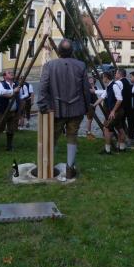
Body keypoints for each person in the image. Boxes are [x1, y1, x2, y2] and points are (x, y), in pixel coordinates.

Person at [37, 39, 91, 179]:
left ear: (58, 51)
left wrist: (43, 106)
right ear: (72, 52)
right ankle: (69, 167)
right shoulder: (81, 65)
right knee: (72, 136)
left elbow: (43, 88)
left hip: (55, 110)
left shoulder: (49, 66)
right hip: (76, 109)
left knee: (53, 137)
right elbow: (86, 88)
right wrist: (87, 107)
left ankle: (49, 166)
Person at [92, 71, 127, 154]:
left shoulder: (114, 86)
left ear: (106, 78)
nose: (102, 79)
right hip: (116, 112)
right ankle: (122, 148)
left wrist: (113, 111)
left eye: (103, 77)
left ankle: (107, 150)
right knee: (120, 129)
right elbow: (102, 97)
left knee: (106, 128)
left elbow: (120, 99)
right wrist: (93, 105)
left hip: (117, 112)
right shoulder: (109, 86)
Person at [0, 70, 21, 152]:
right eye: (9, 73)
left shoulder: (16, 84)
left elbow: (18, 96)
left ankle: (9, 146)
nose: (12, 73)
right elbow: (0, 92)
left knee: (11, 129)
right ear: (5, 76)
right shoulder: (0, 84)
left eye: (12, 72)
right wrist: (13, 91)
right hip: (2, 111)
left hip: (13, 111)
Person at [116, 68, 133, 145]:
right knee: (122, 123)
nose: (115, 75)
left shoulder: (119, 82)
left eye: (116, 73)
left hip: (122, 107)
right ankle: (124, 139)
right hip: (127, 106)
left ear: (120, 74)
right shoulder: (127, 81)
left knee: (120, 124)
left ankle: (123, 140)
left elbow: (116, 95)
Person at [84, 75, 98, 139]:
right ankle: (88, 132)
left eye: (91, 79)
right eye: (89, 80)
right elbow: (93, 91)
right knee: (89, 119)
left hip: (94, 105)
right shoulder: (87, 87)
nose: (91, 80)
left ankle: (88, 131)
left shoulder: (95, 87)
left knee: (91, 119)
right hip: (90, 105)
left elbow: (96, 93)